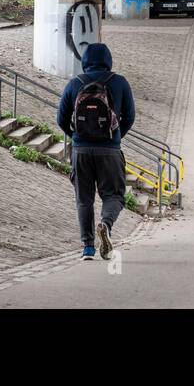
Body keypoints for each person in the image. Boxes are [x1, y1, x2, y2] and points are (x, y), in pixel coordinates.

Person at [56, 42, 136, 261]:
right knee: (115, 196)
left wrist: (76, 137)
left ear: (85, 62)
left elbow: (60, 118)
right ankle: (106, 224)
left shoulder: (75, 83)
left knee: (84, 200)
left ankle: (88, 248)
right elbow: (129, 116)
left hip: (80, 151)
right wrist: (116, 135)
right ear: (108, 60)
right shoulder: (119, 83)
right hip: (109, 149)